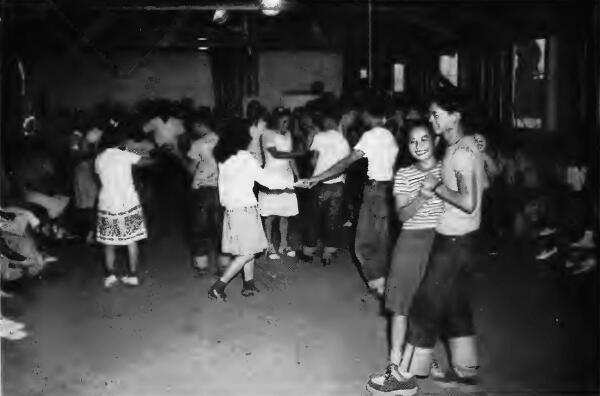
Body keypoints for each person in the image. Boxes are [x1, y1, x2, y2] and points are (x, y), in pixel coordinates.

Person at [367, 88, 485, 395]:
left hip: (453, 241)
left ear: (455, 115)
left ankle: (404, 378)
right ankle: (466, 371)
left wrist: (436, 188)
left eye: (436, 113)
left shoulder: (460, 151)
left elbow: (469, 200)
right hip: (456, 240)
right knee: (456, 308)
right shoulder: (461, 146)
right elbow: (483, 178)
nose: (431, 118)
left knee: (423, 308)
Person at [368, 123, 445, 389]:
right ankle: (396, 363)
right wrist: (423, 194)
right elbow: (402, 215)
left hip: (439, 243)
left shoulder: (448, 169)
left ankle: (424, 357)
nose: (419, 145)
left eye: (424, 139)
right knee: (400, 308)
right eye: (413, 142)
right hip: (410, 244)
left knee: (427, 306)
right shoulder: (403, 174)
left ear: (435, 139)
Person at [297, 99, 399, 295]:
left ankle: (379, 285)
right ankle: (383, 283)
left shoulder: (370, 135)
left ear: (368, 115)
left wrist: (316, 178)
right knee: (380, 240)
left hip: (375, 191)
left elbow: (345, 162)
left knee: (362, 245)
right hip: (387, 190)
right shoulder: (389, 135)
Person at [208, 119, 287, 301]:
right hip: (244, 210)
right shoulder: (245, 158)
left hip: (232, 210)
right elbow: (267, 181)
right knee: (249, 252)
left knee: (247, 248)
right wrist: (290, 183)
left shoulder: (225, 158)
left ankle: (248, 285)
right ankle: (218, 287)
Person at [95, 129, 155, 288]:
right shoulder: (125, 154)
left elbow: (99, 175)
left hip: (108, 204)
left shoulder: (100, 158)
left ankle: (110, 275)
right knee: (131, 241)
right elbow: (147, 161)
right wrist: (134, 151)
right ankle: (133, 275)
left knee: (108, 243)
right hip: (128, 203)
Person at [298, 107, 351, 266]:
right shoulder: (344, 140)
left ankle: (308, 252)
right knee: (333, 220)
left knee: (313, 218)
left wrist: (310, 138)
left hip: (320, 184)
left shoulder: (319, 136)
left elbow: (312, 158)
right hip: (338, 185)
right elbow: (346, 163)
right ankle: (328, 254)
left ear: (327, 121)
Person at [186, 111, 229, 276]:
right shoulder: (225, 141)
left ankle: (201, 267)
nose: (194, 129)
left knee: (200, 229)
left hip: (202, 189)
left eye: (195, 126)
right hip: (222, 188)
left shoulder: (198, 143)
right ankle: (223, 267)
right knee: (222, 228)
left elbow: (191, 168)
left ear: (201, 125)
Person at [258, 108, 300, 259]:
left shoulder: (288, 135)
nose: (286, 125)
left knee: (285, 214)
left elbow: (290, 158)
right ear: (275, 120)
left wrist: (298, 176)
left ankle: (283, 244)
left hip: (286, 178)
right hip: (271, 178)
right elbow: (275, 153)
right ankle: (269, 245)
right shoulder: (267, 134)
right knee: (270, 215)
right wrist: (298, 153)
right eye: (283, 121)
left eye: (288, 122)